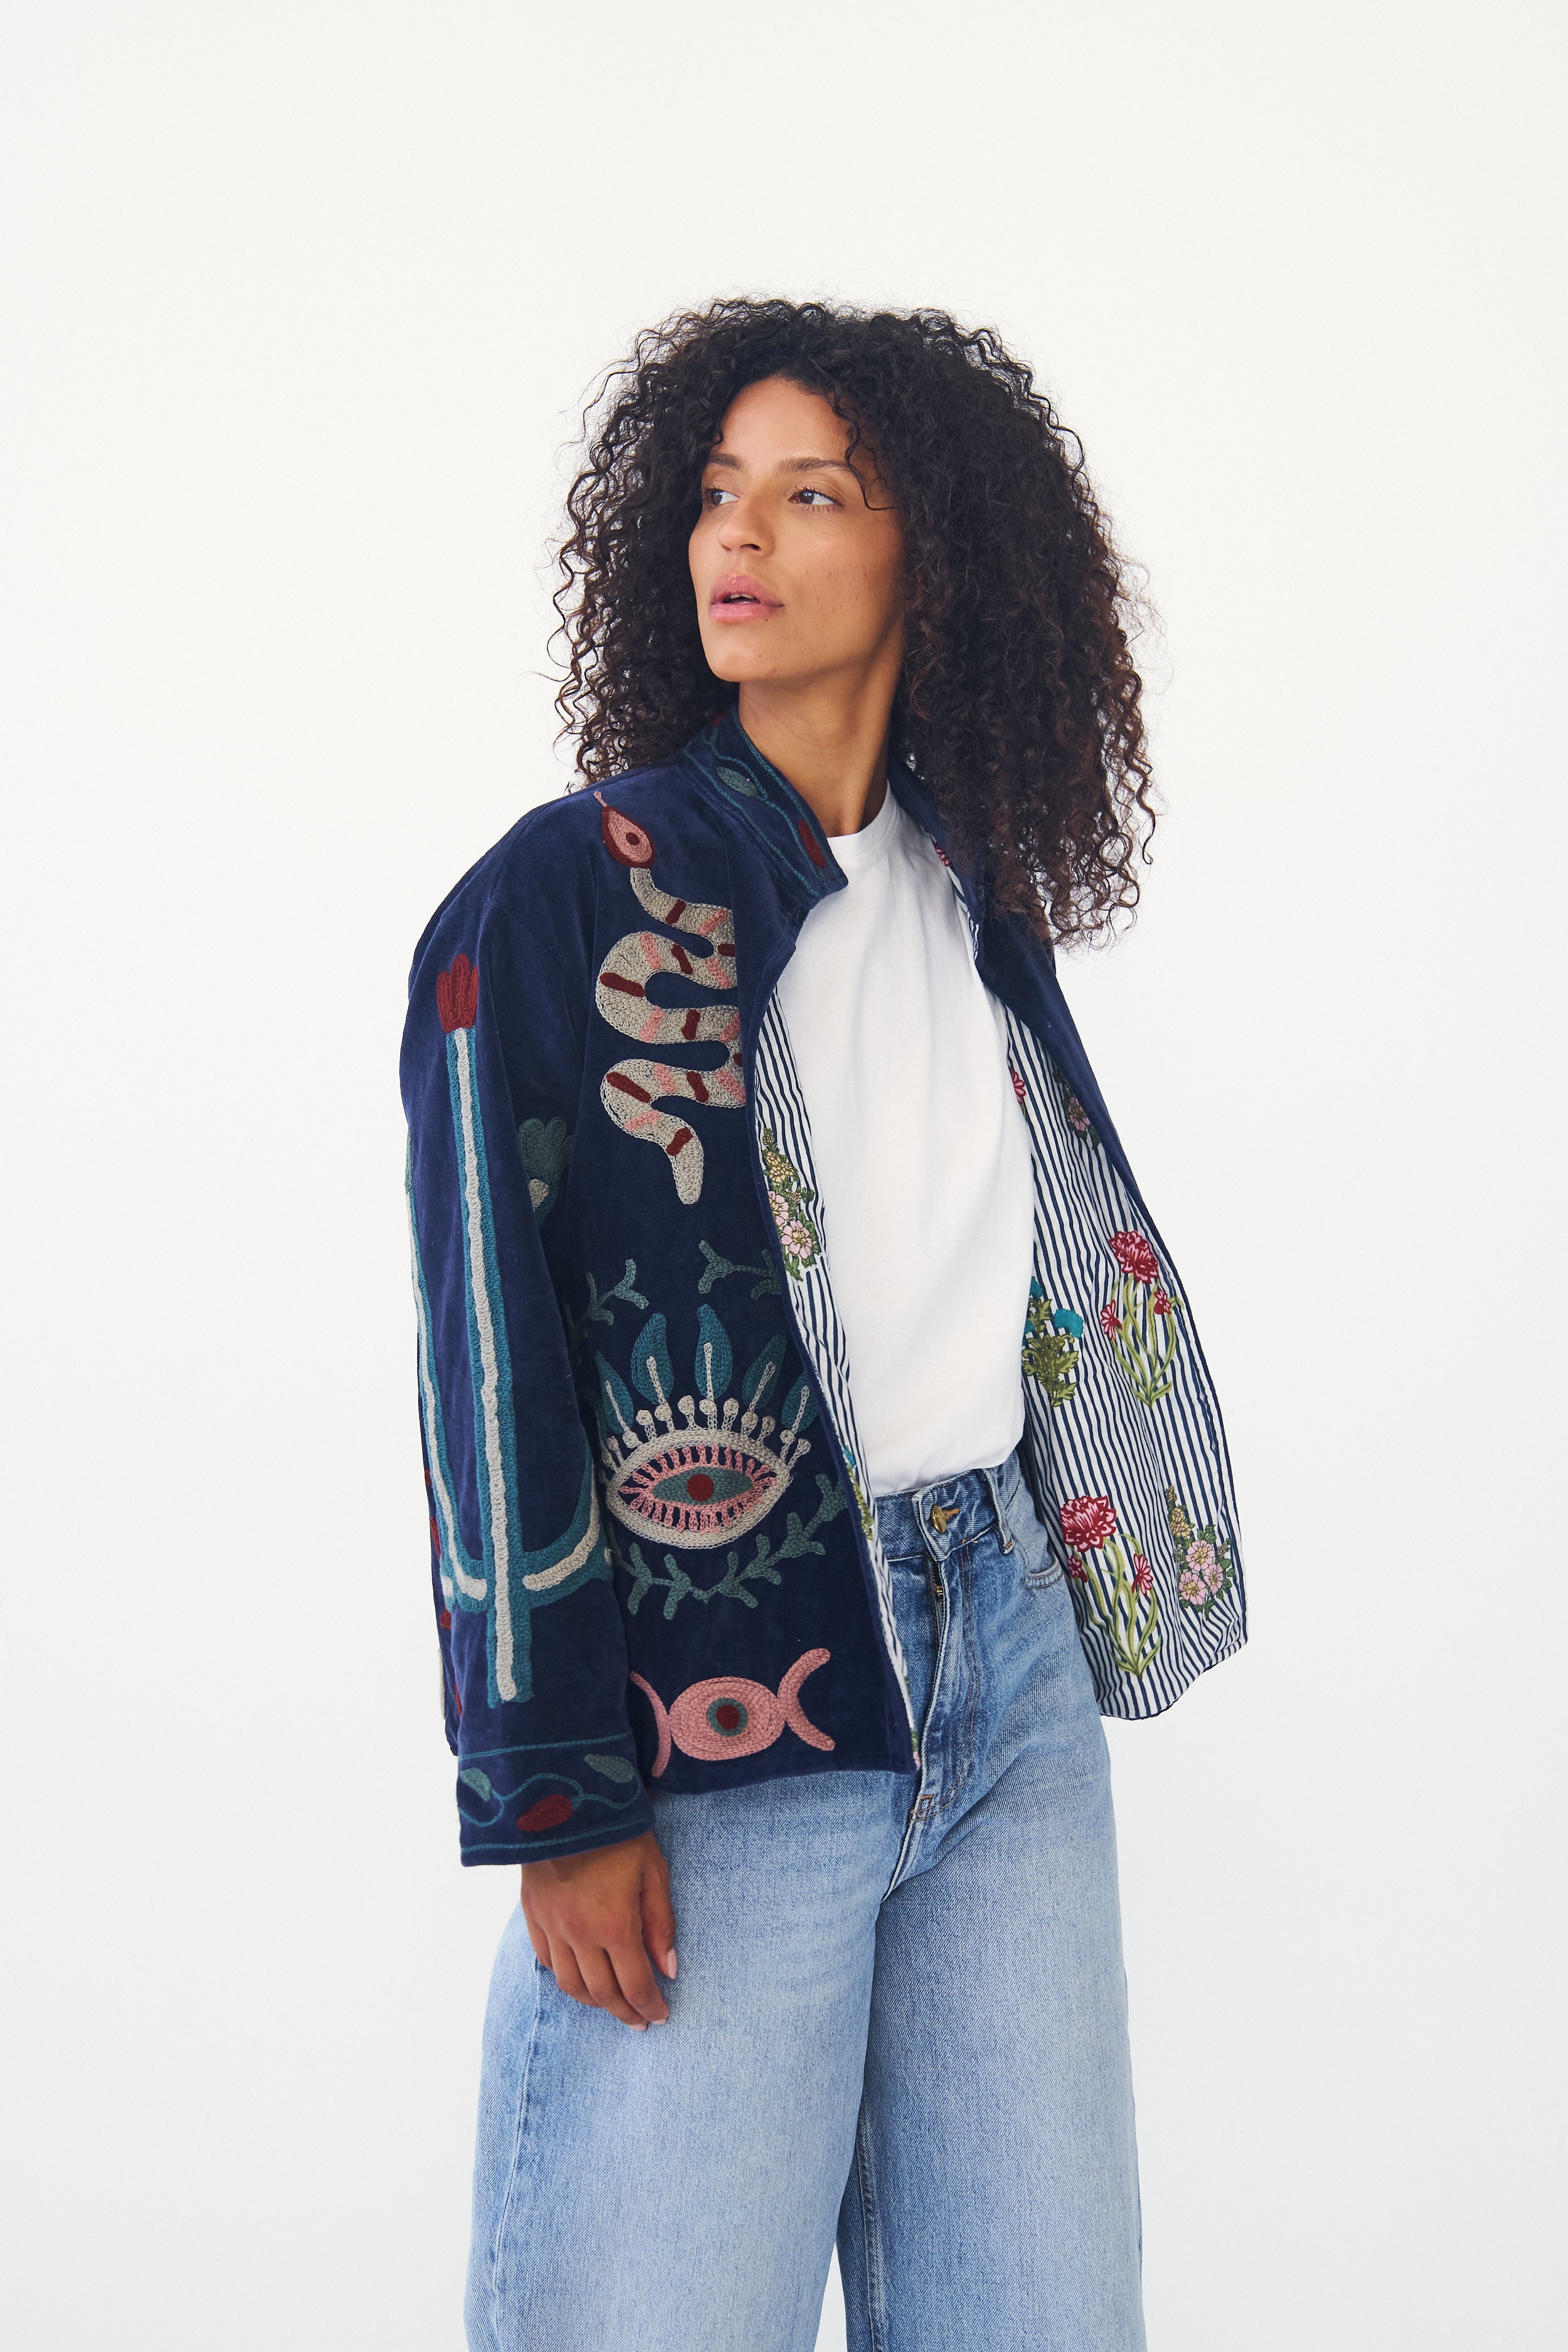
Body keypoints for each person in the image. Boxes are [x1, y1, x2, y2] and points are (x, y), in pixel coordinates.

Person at [401, 299, 1245, 2352]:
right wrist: (553, 1789)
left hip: (1003, 1654)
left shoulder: (968, 886)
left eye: (810, 493)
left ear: (930, 551)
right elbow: (488, 1349)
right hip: (719, 1697)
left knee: (1041, 2311)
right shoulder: (566, 895)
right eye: (717, 492)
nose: (739, 535)